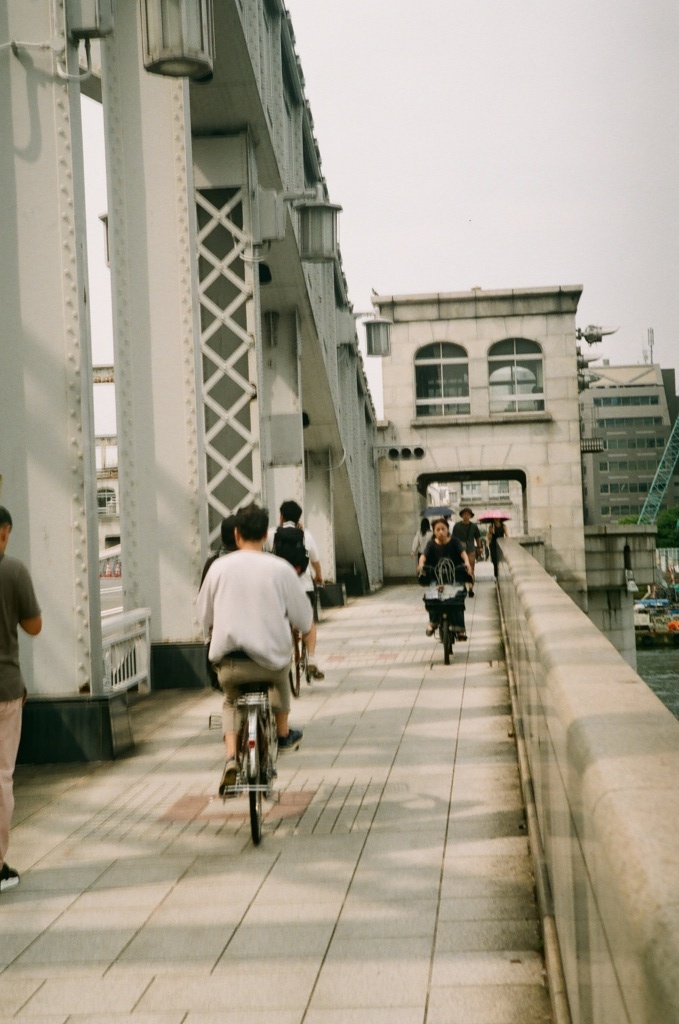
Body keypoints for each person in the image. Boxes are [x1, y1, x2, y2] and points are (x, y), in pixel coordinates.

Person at [197, 503, 311, 795]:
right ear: (265, 535)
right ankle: (283, 734)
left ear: (236, 534)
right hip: (269, 662)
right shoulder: (280, 569)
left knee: (231, 702)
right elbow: (304, 618)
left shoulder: (218, 568)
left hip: (230, 664)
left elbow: (203, 617)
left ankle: (232, 758)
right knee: (281, 675)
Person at [0, 507, 42, 892]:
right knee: (1, 777)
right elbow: (34, 626)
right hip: (4, 690)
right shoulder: (12, 571)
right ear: (4, 533)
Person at [268, 500, 325, 679]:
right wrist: (319, 576)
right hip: (304, 587)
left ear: (281, 516)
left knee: (283, 622)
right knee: (309, 624)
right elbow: (315, 561)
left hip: (280, 589)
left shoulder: (271, 534)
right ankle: (312, 659)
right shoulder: (306, 535)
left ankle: (284, 656)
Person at [199, 516, 238, 690]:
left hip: (221, 643)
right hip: (257, 649)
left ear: (221, 537)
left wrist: (208, 634)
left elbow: (203, 602)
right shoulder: (256, 561)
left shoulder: (212, 563)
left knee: (229, 698)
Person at [418, 518, 472, 637]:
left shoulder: (454, 541)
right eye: (438, 529)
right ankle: (433, 623)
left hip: (454, 576)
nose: (441, 532)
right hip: (436, 577)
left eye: (443, 529)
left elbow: (463, 553)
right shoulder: (431, 544)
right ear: (434, 531)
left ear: (447, 529)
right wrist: (421, 564)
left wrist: (467, 562)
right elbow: (423, 556)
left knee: (458, 599)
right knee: (432, 597)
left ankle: (460, 629)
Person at [452, 508, 482, 597]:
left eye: (468, 514)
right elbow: (454, 539)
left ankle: (471, 588)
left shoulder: (474, 526)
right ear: (462, 515)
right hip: (460, 551)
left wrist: (480, 547)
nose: (466, 515)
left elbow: (477, 538)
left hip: (471, 551)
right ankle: (464, 586)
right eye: (464, 514)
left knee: (471, 569)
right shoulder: (457, 526)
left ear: (470, 516)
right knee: (461, 569)